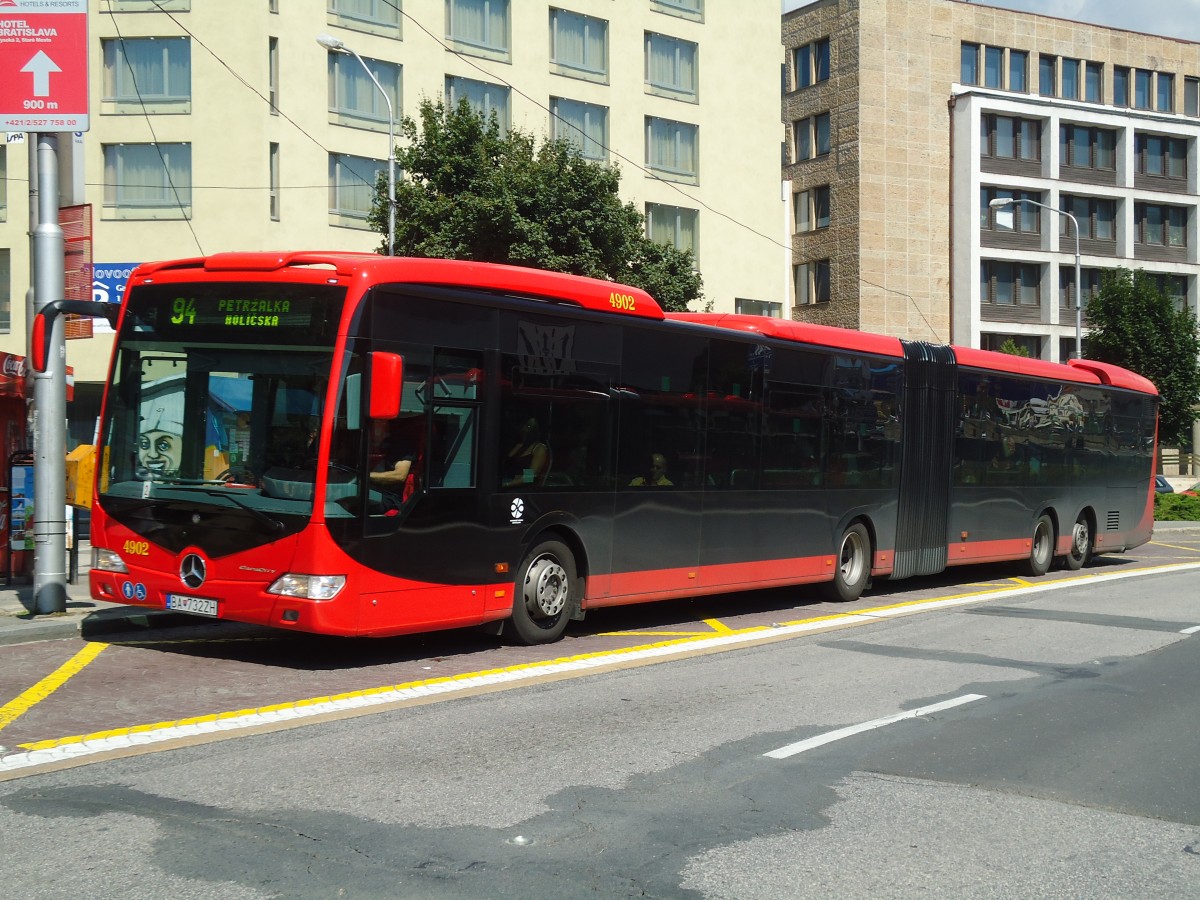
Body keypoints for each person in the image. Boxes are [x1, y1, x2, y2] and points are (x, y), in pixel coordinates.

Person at [501, 417, 549, 487]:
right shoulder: (517, 444)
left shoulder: (537, 448)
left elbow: (528, 478)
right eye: (524, 425)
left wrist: (507, 484)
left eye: (529, 426)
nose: (525, 429)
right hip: (505, 480)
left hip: (520, 487)